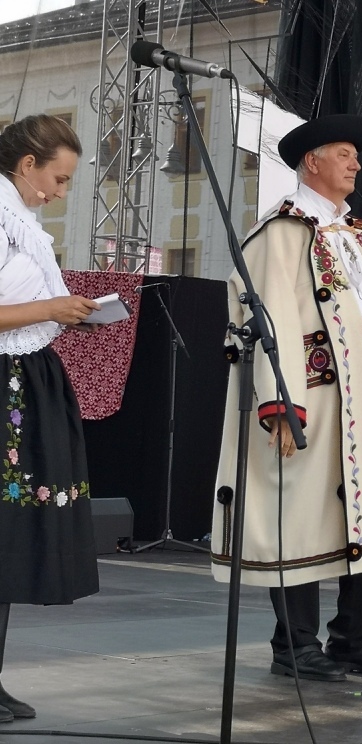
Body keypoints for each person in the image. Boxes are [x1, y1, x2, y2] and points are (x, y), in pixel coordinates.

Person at [210, 115, 362, 682]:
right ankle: (294, 644)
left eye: (356, 155)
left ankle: (355, 638)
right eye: (345, 153)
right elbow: (268, 315)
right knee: (299, 514)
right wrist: (280, 403)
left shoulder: (355, 236)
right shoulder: (283, 231)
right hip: (311, 395)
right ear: (311, 161)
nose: (357, 163)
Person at [0, 115, 101, 722]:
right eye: (58, 179)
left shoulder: (24, 223)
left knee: (11, 533)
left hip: (29, 376)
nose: (61, 192)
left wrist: (68, 313)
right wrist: (49, 307)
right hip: (4, 382)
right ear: (26, 165)